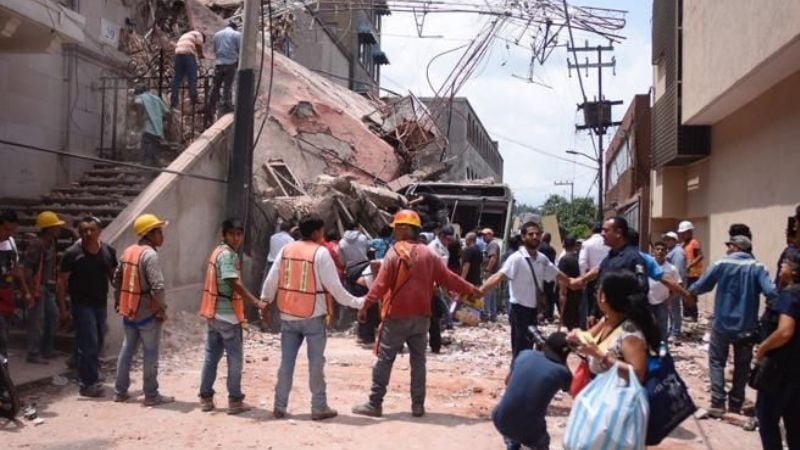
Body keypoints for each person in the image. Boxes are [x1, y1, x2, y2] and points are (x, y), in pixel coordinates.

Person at [352, 210, 479, 418]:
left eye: (398, 227)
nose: (395, 231)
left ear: (404, 229)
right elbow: (448, 278)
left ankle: (375, 403)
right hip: (422, 317)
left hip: (396, 317)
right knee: (418, 362)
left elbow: (380, 286)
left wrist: (365, 306)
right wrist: (471, 288)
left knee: (385, 359)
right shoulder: (429, 254)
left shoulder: (394, 253)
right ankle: (417, 405)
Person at [261, 214, 365, 420]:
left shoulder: (286, 249)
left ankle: (279, 405)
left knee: (286, 362)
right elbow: (336, 289)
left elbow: (271, 280)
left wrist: (265, 301)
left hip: (288, 314)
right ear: (317, 232)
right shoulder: (321, 253)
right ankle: (318, 407)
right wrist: (359, 302)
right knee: (316, 363)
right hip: (314, 316)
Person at [688, 235, 777, 417]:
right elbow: (771, 292)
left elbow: (702, 286)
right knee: (742, 366)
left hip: (722, 324)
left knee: (716, 361)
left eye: (729, 245)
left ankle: (718, 402)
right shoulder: (758, 267)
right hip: (747, 326)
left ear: (736, 247)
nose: (727, 249)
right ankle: (736, 403)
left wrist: (689, 292)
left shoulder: (721, 264)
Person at [479, 221, 581, 360]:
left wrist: (575, 282)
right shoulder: (516, 259)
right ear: (523, 237)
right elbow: (499, 276)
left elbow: (560, 276)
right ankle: (516, 376)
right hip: (519, 311)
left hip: (534, 311)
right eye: (531, 234)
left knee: (529, 348)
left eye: (537, 234)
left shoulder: (542, 259)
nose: (535, 237)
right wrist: (480, 292)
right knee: (520, 349)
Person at [198, 219, 266, 414]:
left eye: (239, 234)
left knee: (211, 357)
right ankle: (235, 400)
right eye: (232, 234)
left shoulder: (217, 252)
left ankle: (205, 398)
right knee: (235, 359)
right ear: (224, 235)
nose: (236, 238)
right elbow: (233, 282)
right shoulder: (227, 255)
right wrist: (256, 302)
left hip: (214, 314)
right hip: (228, 315)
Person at [113, 214, 173, 406]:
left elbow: (117, 279)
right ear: (150, 233)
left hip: (129, 309)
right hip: (147, 312)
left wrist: (118, 301)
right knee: (150, 353)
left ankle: (120, 391)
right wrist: (161, 309)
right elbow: (158, 287)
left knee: (127, 350)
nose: (162, 236)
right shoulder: (150, 255)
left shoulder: (128, 251)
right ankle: (151, 395)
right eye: (159, 232)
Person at [58, 217, 117, 397]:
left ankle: (82, 364)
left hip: (100, 303)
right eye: (84, 230)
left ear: (99, 231)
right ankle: (87, 383)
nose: (88, 233)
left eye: (92, 230)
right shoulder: (72, 253)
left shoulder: (107, 251)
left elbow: (113, 277)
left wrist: (121, 296)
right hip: (81, 304)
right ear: (79, 232)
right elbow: (61, 283)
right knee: (89, 341)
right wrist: (63, 310)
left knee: (97, 339)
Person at [569, 270, 662, 384]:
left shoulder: (630, 333)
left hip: (620, 397)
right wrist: (576, 336)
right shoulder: (607, 320)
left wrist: (599, 355)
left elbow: (637, 375)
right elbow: (588, 337)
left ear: (603, 297)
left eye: (597, 289)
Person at [493, 332, 572, 450]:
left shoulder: (525, 354)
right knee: (542, 441)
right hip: (529, 430)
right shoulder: (563, 372)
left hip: (500, 419)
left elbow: (507, 382)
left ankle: (512, 444)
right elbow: (569, 388)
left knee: (514, 425)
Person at [754, 252, 800, 450]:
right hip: (796, 371)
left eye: (786, 263)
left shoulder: (790, 294)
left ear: (796, 270)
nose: (781, 265)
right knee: (795, 423)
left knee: (767, 420)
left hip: (780, 369)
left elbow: (784, 332)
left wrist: (762, 348)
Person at [23, 211, 65, 364]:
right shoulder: (37, 245)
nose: (59, 230)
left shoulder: (51, 243)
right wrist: (31, 290)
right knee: (37, 321)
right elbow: (27, 270)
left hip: (47, 286)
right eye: (56, 227)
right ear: (49, 229)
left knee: (52, 316)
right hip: (38, 287)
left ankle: (47, 349)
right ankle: (33, 353)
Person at [0, 210, 25, 360]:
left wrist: (24, 290)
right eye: (6, 229)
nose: (9, 233)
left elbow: (16, 268)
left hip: (7, 296)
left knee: (4, 338)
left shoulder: (10, 243)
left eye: (13, 230)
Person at [428, 225, 455, 353]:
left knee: (435, 315)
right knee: (433, 314)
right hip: (429, 286)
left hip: (436, 286)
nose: (449, 242)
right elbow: (429, 268)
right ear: (441, 236)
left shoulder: (445, 249)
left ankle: (435, 344)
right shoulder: (433, 247)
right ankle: (435, 344)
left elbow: (443, 272)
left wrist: (447, 288)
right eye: (447, 239)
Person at [578, 221, 609, 327]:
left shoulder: (587, 243)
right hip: (609, 279)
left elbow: (582, 263)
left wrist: (584, 279)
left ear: (592, 230)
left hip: (592, 280)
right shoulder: (609, 243)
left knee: (591, 308)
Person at [207, 22, 241, 118]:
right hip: (230, 63)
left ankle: (211, 104)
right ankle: (226, 104)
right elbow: (240, 49)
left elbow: (214, 49)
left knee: (216, 85)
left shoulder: (217, 34)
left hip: (219, 63)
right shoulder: (237, 35)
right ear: (235, 28)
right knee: (227, 85)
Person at [648, 241, 680, 341]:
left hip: (662, 302)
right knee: (647, 328)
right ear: (653, 251)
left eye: (662, 250)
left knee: (662, 329)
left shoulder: (672, 269)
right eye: (657, 249)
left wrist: (670, 299)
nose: (660, 251)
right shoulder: (647, 265)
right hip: (647, 301)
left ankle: (662, 352)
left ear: (666, 252)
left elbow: (678, 285)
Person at [134, 85, 169, 167]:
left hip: (148, 131)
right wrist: (166, 127)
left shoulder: (140, 97)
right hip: (158, 132)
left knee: (146, 156)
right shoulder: (156, 98)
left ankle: (146, 176)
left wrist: (139, 121)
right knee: (154, 153)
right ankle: (157, 172)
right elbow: (167, 112)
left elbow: (138, 103)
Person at [170, 29, 205, 108]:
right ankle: (193, 98)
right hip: (188, 56)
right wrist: (201, 55)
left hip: (178, 56)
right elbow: (199, 44)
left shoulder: (185, 35)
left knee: (177, 78)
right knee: (192, 77)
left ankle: (174, 100)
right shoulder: (199, 34)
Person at [663, 231, 687, 342]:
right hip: (669, 285)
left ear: (674, 240)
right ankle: (672, 329)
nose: (666, 242)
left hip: (675, 284)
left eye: (669, 239)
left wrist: (677, 287)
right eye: (666, 239)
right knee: (671, 309)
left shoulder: (677, 252)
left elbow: (679, 270)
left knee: (675, 309)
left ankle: (676, 332)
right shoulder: (671, 251)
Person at [678, 220, 704, 322]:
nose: (683, 235)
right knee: (684, 294)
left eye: (684, 233)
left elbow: (700, 256)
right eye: (682, 233)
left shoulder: (694, 242)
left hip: (693, 274)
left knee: (691, 294)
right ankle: (686, 315)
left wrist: (690, 265)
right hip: (685, 274)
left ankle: (693, 316)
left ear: (689, 232)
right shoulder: (682, 244)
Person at [557, 236, 582, 330]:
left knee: (568, 320)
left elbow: (562, 279)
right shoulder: (578, 258)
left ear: (563, 245)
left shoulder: (564, 260)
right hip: (578, 291)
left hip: (568, 292)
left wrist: (562, 294)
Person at [482, 227, 501, 322]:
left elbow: (493, 258)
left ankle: (486, 314)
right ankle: (493, 314)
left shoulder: (492, 244)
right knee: (492, 294)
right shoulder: (492, 244)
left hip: (490, 273)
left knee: (487, 293)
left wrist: (487, 270)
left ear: (490, 234)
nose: (483, 237)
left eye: (485, 235)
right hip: (493, 273)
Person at [538, 232, 557, 321]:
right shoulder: (552, 250)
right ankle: (549, 315)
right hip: (550, 275)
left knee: (540, 294)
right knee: (550, 295)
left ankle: (540, 314)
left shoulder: (539, 248)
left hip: (540, 274)